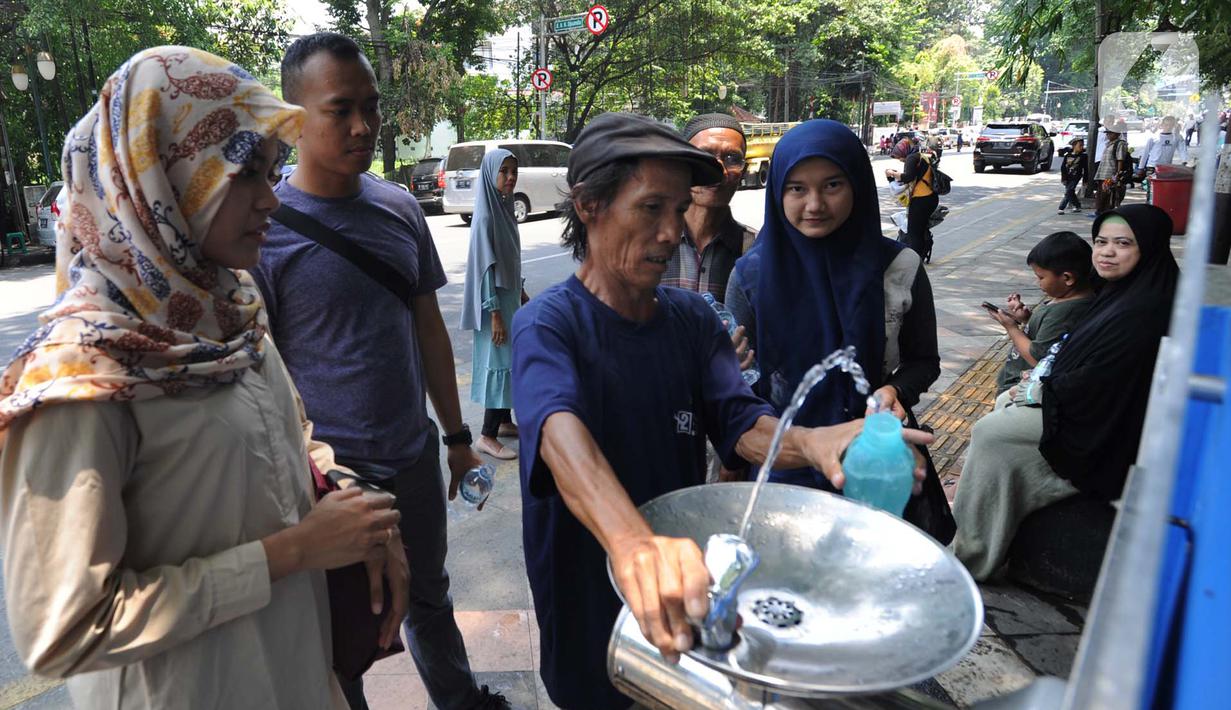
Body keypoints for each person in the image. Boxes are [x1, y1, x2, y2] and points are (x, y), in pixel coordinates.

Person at [0, 46, 406, 709]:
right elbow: (63, 630)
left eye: (271, 172)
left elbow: (290, 443)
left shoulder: (230, 315)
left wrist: (354, 507)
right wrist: (290, 553)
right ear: (158, 175)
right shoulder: (81, 374)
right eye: (244, 174)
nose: (271, 200)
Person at [511, 112, 933, 710]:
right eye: (650, 208)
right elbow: (558, 434)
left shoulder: (691, 320)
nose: (669, 232)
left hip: (688, 578)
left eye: (677, 209)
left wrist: (811, 442)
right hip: (589, 580)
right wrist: (633, 544)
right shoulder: (551, 324)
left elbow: (742, 423)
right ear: (588, 206)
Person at [252, 33, 506, 710]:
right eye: (341, 109)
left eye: (370, 106)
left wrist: (454, 439)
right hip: (334, 476)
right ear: (292, 116)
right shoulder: (265, 230)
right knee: (346, 623)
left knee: (429, 593)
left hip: (413, 456)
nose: (363, 125)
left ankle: (459, 701)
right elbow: (265, 373)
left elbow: (426, 328)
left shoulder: (397, 207)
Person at [724, 119, 952, 541]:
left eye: (832, 185)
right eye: (796, 189)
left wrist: (895, 391)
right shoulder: (750, 276)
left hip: (871, 466)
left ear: (858, 187)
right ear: (777, 192)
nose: (814, 204)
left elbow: (924, 360)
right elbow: (736, 386)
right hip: (781, 467)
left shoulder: (898, 268)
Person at [951, 204, 1179, 580]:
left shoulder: (1147, 306)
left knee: (991, 434)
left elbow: (1107, 378)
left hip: (1103, 421)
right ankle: (976, 522)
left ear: (1149, 247)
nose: (1107, 251)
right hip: (1074, 396)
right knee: (1002, 410)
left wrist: (1044, 386)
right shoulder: (1118, 291)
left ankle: (970, 557)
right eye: (1101, 241)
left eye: (1122, 243)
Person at [461, 149, 529, 460]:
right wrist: (495, 314)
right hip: (495, 303)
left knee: (508, 360)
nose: (510, 178)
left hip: (508, 297)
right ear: (491, 175)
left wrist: (521, 292)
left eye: (513, 171)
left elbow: (509, 260)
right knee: (500, 363)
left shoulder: (504, 209)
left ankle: (503, 421)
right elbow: (486, 267)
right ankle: (486, 436)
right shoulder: (487, 214)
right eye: (504, 172)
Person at [662, 113, 758, 302]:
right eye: (704, 156)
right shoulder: (649, 239)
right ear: (683, 166)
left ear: (743, 172)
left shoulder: (755, 250)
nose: (718, 170)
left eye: (731, 158)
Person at [989, 231, 1096, 395]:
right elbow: (1050, 336)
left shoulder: (1066, 312)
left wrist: (1012, 328)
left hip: (1020, 387)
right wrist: (1026, 319)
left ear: (1067, 278)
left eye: (1040, 277)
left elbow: (1036, 357)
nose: (1037, 282)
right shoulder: (1065, 300)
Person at [886, 137, 940, 259]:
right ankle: (921, 254)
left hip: (921, 199)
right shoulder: (921, 156)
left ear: (904, 150)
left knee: (914, 233)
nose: (900, 159)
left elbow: (908, 177)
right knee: (920, 230)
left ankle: (915, 259)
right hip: (930, 198)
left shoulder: (912, 158)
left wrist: (892, 173)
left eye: (900, 156)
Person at [1092, 120, 1129, 215]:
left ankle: (1106, 212)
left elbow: (1120, 159)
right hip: (1102, 173)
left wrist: (1117, 174)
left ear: (1116, 134)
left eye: (1110, 133)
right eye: (1107, 133)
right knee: (1100, 194)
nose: (1108, 135)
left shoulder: (1120, 144)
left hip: (1110, 174)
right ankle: (1099, 211)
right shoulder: (1108, 144)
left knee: (1107, 195)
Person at [1058, 138, 1088, 214]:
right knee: (1070, 192)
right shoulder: (1068, 155)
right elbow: (1063, 167)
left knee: (1069, 191)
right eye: (1080, 145)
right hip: (1067, 177)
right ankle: (1077, 205)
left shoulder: (1083, 156)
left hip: (1076, 176)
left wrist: (1085, 180)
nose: (1081, 147)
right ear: (1074, 146)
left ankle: (1061, 208)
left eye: (1082, 145)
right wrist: (1063, 178)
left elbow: (1086, 169)